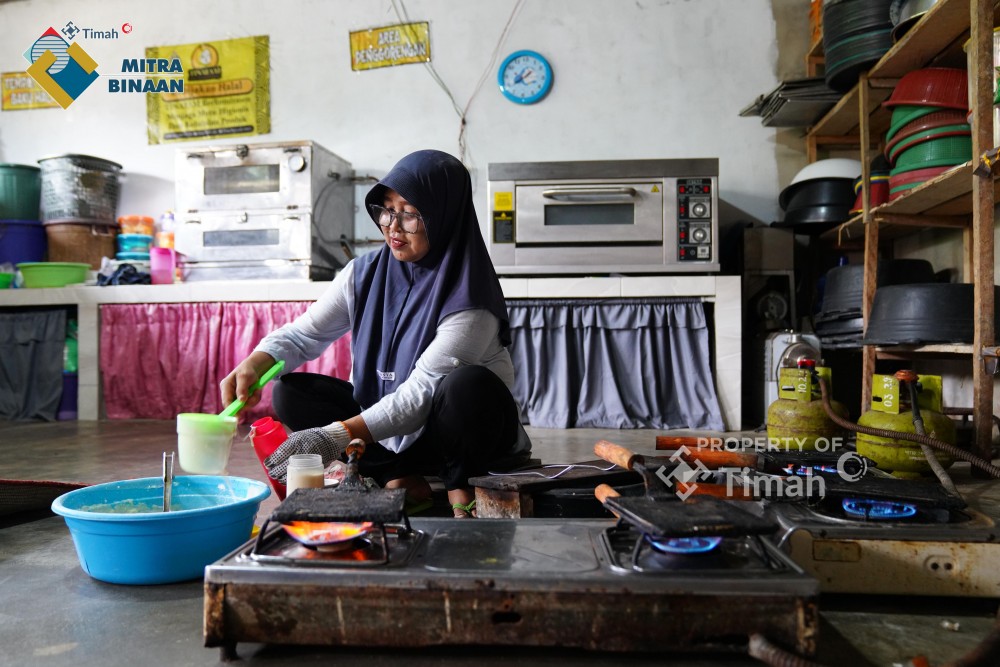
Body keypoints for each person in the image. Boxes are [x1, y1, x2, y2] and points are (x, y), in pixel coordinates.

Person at [221, 149, 531, 517]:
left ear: (444, 216)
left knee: (464, 386)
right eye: (386, 209)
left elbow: (419, 396)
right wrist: (258, 362)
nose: (393, 227)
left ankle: (459, 486)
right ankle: (399, 474)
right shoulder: (364, 274)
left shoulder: (470, 298)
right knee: (289, 392)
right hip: (393, 434)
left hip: (462, 435)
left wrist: (331, 436)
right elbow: (305, 334)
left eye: (410, 214)